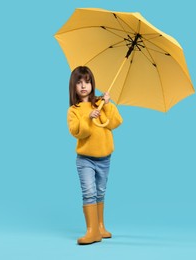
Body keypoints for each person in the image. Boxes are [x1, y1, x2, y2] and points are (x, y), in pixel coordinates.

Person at [67, 66, 123, 245]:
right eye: (79, 82)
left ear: (92, 84)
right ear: (73, 87)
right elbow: (77, 132)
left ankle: (100, 227)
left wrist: (107, 104)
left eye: (87, 82)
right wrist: (88, 118)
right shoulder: (74, 111)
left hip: (104, 158)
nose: (84, 86)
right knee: (89, 192)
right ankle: (91, 231)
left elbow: (115, 122)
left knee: (100, 192)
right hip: (86, 159)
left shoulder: (99, 102)